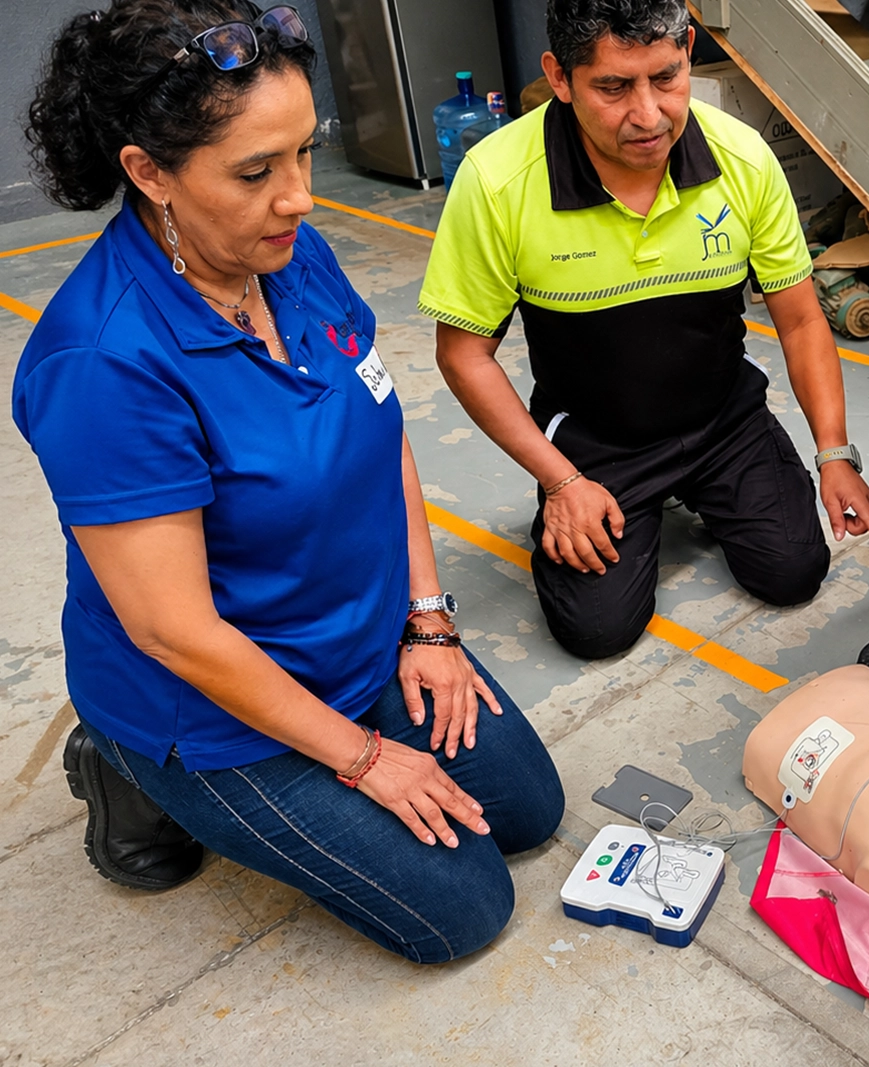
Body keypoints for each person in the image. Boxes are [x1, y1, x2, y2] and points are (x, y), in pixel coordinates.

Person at [13, 0, 564, 963]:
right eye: (256, 171)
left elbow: (381, 430)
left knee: (528, 810)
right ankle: (127, 764)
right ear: (149, 172)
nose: (300, 197)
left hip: (355, 638)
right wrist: (366, 759)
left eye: (306, 152)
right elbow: (174, 630)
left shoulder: (290, 255)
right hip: (216, 706)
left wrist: (428, 623)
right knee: (464, 909)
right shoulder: (105, 365)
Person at [418, 0, 869, 661]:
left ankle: (708, 485)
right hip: (595, 441)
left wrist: (834, 453)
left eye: (666, 78)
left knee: (794, 572)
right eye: (613, 87)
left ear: (688, 50)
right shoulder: (498, 181)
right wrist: (561, 482)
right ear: (559, 77)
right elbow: (464, 355)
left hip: (723, 418)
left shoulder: (742, 159)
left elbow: (804, 318)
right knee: (597, 630)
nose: (648, 114)